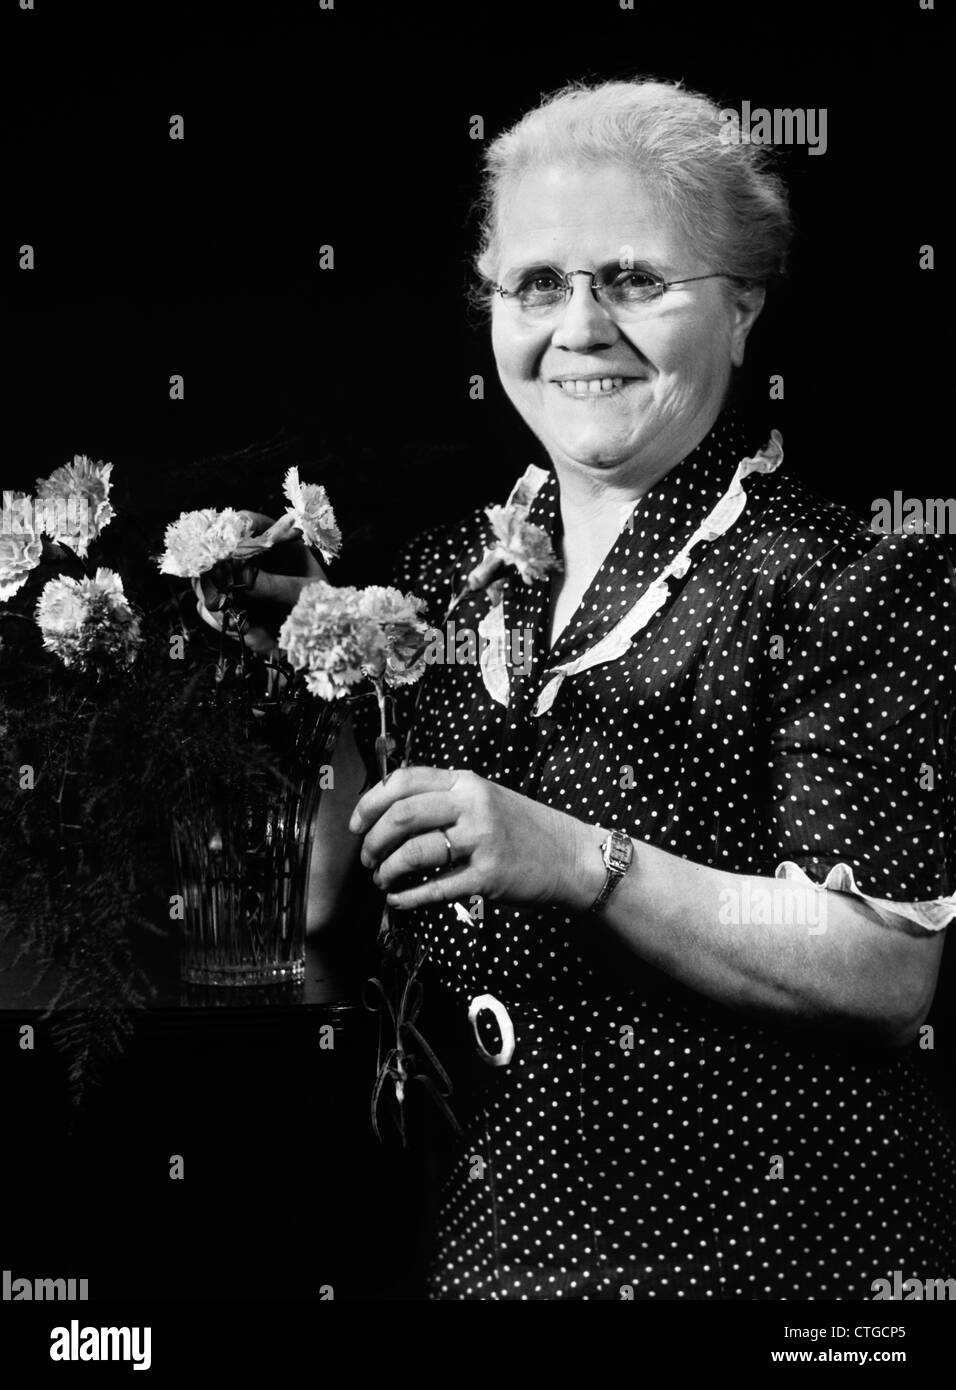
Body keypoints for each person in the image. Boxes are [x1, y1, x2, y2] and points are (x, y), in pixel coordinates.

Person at [279, 79, 956, 1299]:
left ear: (742, 308)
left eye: (635, 279)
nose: (579, 326)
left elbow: (878, 969)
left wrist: (578, 858)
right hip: (501, 1239)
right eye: (536, 283)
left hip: (771, 1254)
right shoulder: (444, 577)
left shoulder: (845, 578)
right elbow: (345, 921)